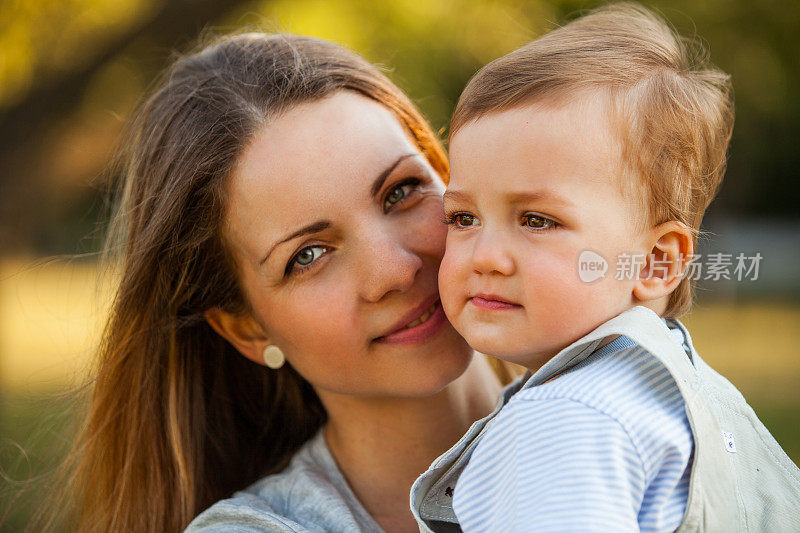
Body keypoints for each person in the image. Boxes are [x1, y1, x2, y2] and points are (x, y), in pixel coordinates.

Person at [52, 33, 511, 533]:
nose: (394, 271)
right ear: (248, 328)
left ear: (446, 177)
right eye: (307, 256)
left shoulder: (608, 367)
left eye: (400, 191)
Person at [411, 3, 800, 532]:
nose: (484, 256)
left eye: (537, 220)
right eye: (462, 217)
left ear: (657, 262)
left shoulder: (563, 422)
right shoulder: (672, 392)